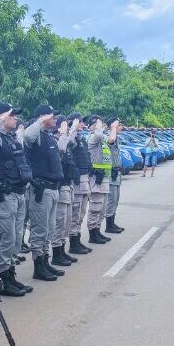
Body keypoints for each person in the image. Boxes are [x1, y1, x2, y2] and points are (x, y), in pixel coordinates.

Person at [0, 103, 34, 297]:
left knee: (16, 238)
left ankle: (10, 275)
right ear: (2, 118)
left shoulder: (11, 138)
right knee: (7, 238)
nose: (16, 119)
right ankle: (3, 278)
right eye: (12, 116)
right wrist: (0, 119)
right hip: (5, 195)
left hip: (19, 193)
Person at [23, 106, 67, 282]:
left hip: (53, 188)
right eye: (51, 116)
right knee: (39, 230)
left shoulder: (48, 135)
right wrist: (41, 120)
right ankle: (38, 266)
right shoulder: (35, 136)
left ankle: (45, 261)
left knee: (49, 229)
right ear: (42, 118)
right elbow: (27, 136)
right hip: (42, 189)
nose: (55, 118)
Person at [50, 118, 80, 269]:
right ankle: (56, 254)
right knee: (60, 221)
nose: (68, 129)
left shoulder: (65, 140)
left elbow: (71, 143)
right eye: (65, 126)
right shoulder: (55, 141)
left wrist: (71, 130)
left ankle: (62, 250)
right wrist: (63, 133)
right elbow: (61, 149)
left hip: (68, 184)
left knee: (66, 221)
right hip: (60, 187)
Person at [84, 115, 117, 245]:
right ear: (93, 126)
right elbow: (110, 137)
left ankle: (97, 230)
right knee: (95, 207)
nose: (102, 125)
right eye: (99, 123)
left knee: (102, 208)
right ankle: (92, 233)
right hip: (96, 178)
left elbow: (111, 140)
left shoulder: (101, 139)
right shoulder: (93, 137)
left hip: (104, 177)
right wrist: (111, 126)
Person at [68, 115, 96, 254]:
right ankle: (73, 243)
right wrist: (73, 127)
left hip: (85, 179)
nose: (83, 125)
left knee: (81, 213)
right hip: (77, 180)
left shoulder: (82, 139)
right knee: (75, 212)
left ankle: (77, 240)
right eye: (80, 122)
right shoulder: (71, 138)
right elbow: (68, 143)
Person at [104, 117, 126, 235]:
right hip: (111, 174)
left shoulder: (117, 138)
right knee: (112, 200)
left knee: (116, 199)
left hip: (117, 172)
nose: (120, 127)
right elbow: (110, 141)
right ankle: (109, 224)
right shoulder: (110, 136)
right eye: (119, 125)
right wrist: (113, 127)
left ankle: (112, 222)